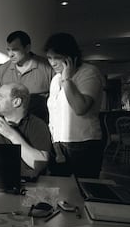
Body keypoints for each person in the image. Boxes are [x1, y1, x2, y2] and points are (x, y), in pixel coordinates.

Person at [45, 33, 105, 178]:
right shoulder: (55, 79)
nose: (52, 63)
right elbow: (54, 115)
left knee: (84, 190)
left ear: (70, 56)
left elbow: (80, 108)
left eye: (57, 57)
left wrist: (67, 80)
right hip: (58, 144)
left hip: (83, 143)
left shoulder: (89, 72)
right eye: (49, 58)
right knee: (59, 189)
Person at [0, 31, 53, 122]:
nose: (10, 54)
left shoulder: (47, 68)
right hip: (11, 125)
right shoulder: (3, 70)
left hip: (40, 124)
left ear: (27, 48)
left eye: (15, 50)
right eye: (8, 50)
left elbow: (57, 100)